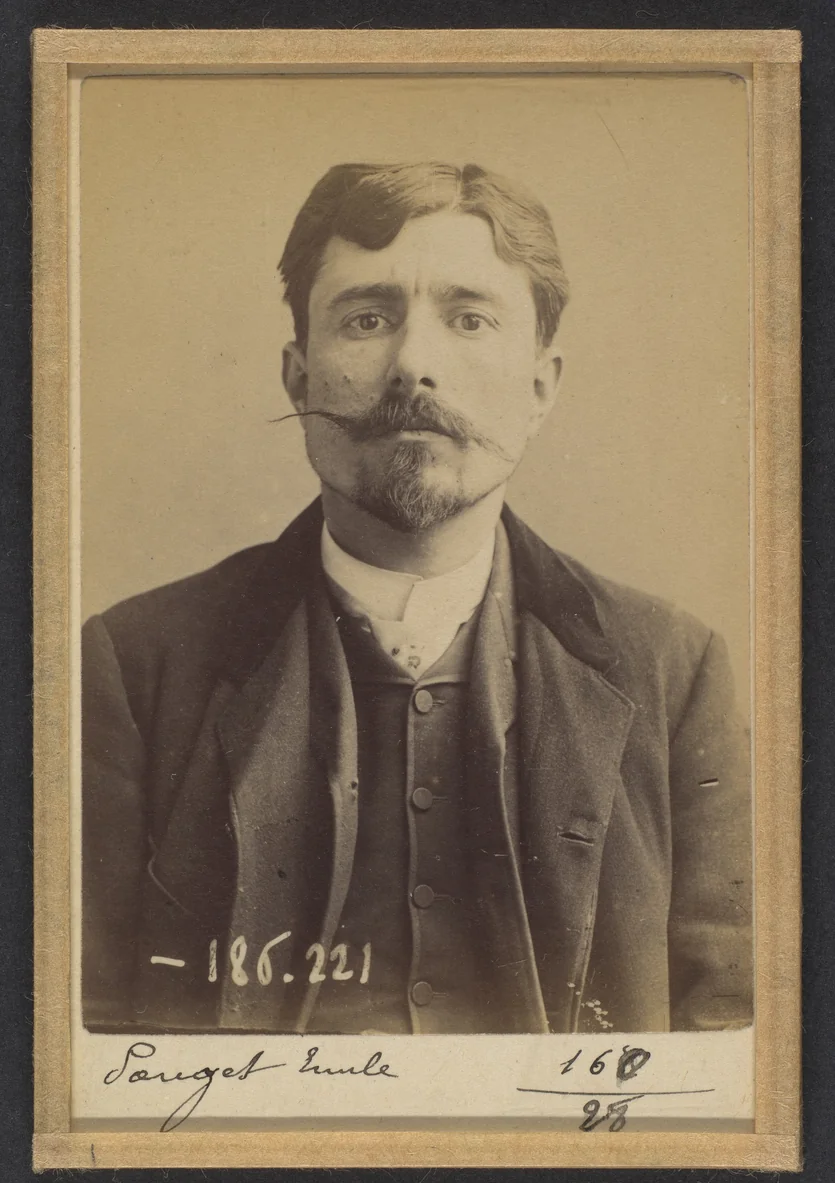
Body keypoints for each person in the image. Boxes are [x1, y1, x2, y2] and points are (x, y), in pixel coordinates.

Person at [82, 161, 752, 1036]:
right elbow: (69, 1041)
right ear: (299, 378)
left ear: (541, 385)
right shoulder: (137, 666)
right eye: (366, 319)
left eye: (469, 319)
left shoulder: (671, 670)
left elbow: (735, 1037)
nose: (414, 366)